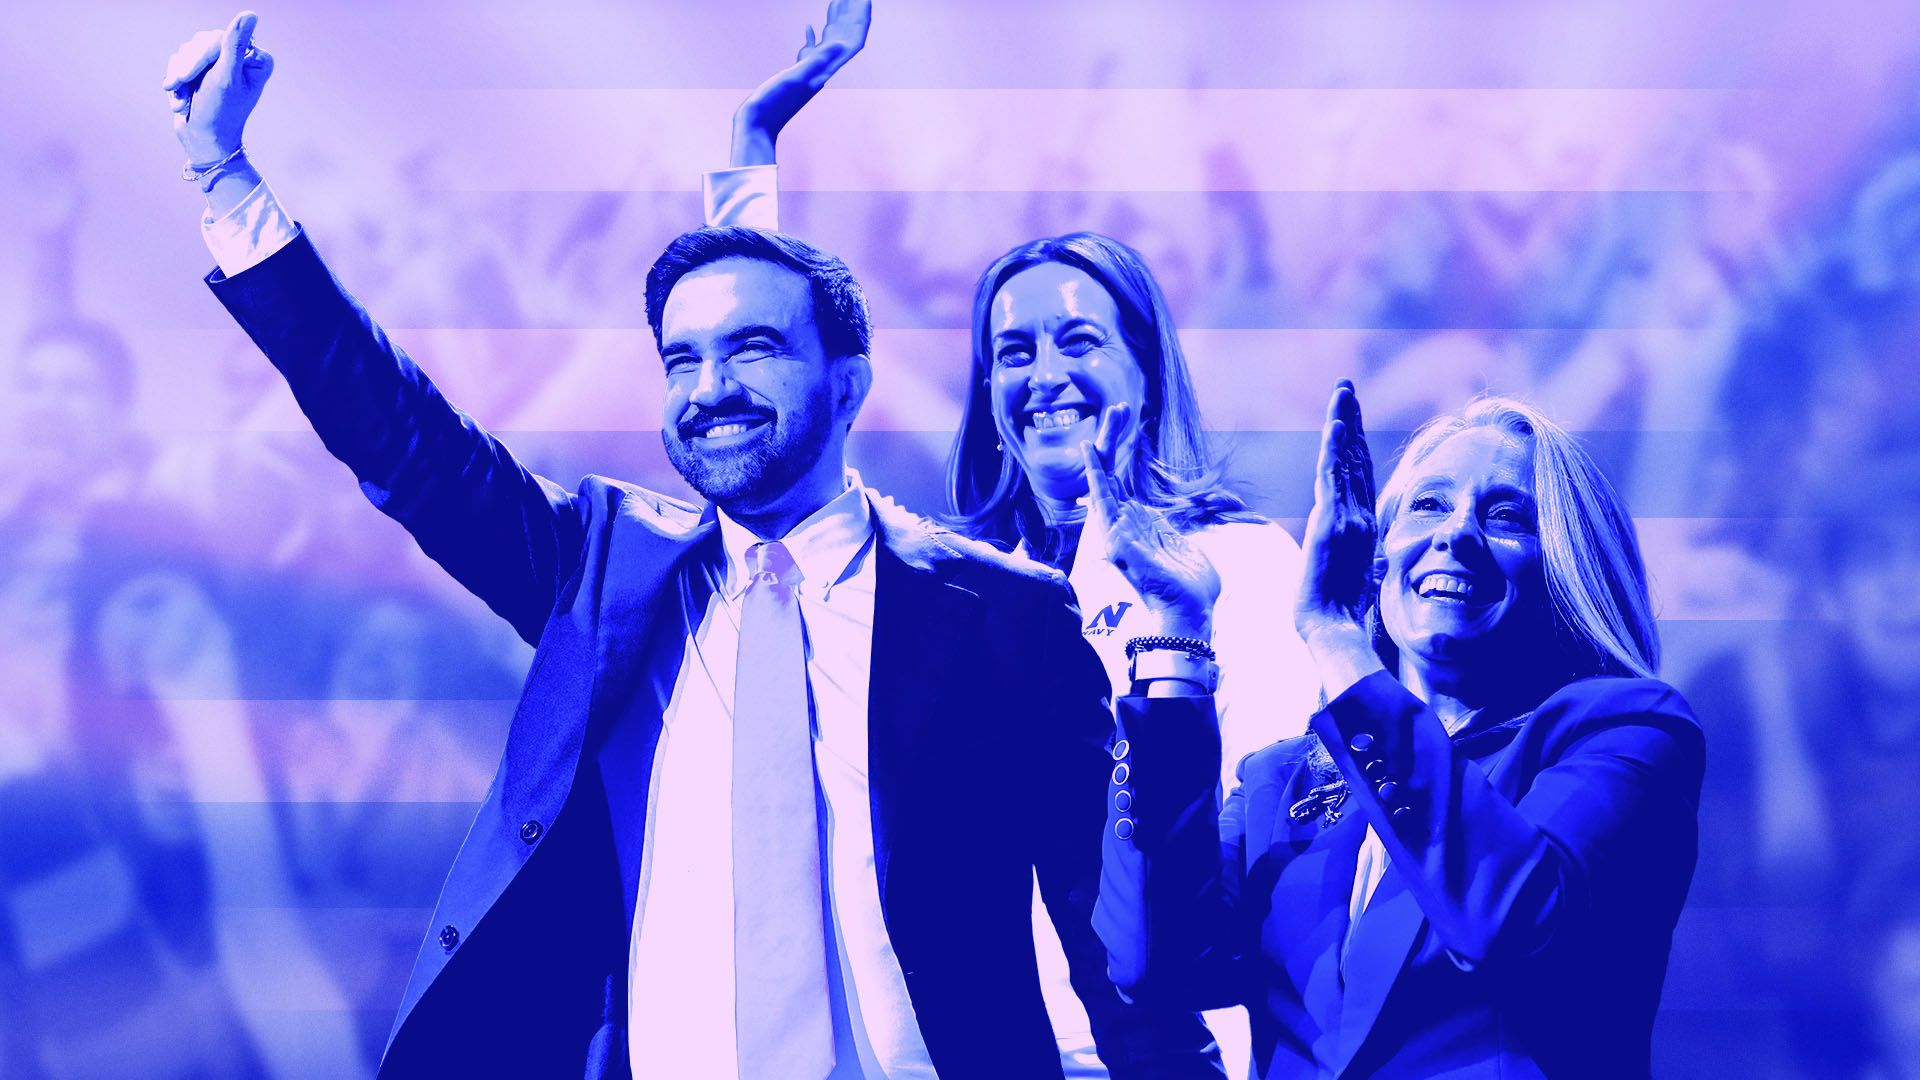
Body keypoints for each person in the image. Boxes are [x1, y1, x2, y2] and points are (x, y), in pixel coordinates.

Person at [161, 11, 1222, 1078]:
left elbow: (1129, 961)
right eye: (682, 360)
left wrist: (1175, 657)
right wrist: (225, 176)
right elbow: (403, 434)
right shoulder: (605, 573)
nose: (711, 390)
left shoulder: (1006, 615)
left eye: (752, 349)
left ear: (850, 382)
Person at [705, 8, 1317, 1074]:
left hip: (1179, 1049)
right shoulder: (957, 595)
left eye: (1079, 339)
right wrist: (750, 160)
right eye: (1012, 352)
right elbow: (772, 471)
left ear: (1146, 369)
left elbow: (1269, 848)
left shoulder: (1243, 567)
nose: (1044, 377)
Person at [1097, 383, 1706, 1077]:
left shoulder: (1625, 733)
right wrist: (1175, 638)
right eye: (1428, 505)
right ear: (1382, 558)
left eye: (1505, 514)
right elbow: (1154, 961)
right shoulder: (1287, 778)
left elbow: (1510, 918)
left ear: (1566, 569)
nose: (1455, 532)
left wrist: (1334, 633)